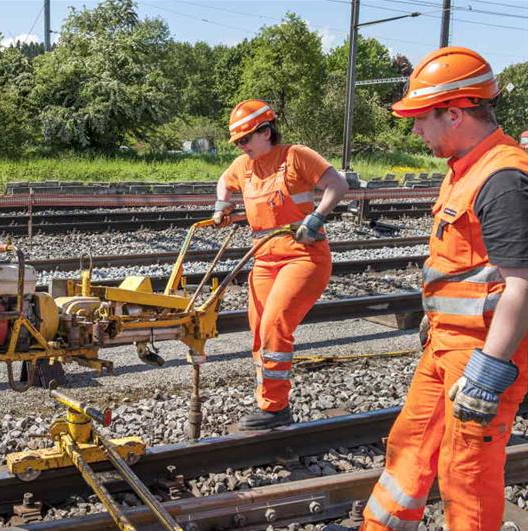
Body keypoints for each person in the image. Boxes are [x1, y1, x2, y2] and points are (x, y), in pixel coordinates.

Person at [331, 46, 528, 531]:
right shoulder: (465, 168)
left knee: (466, 473)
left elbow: (522, 285)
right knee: (410, 444)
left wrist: (488, 371)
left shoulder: (502, 178)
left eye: (421, 118)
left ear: (456, 113)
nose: (415, 129)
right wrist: (433, 318)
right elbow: (464, 269)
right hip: (446, 343)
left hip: (481, 354)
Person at [213, 99, 349, 430]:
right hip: (264, 258)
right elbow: (224, 181)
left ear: (265, 131)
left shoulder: (295, 156)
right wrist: (222, 205)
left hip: (304, 256)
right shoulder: (243, 167)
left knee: (276, 323)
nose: (242, 147)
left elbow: (338, 184)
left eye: (246, 139)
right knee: (259, 329)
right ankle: (267, 401)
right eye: (238, 143)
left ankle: (276, 408)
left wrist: (316, 218)